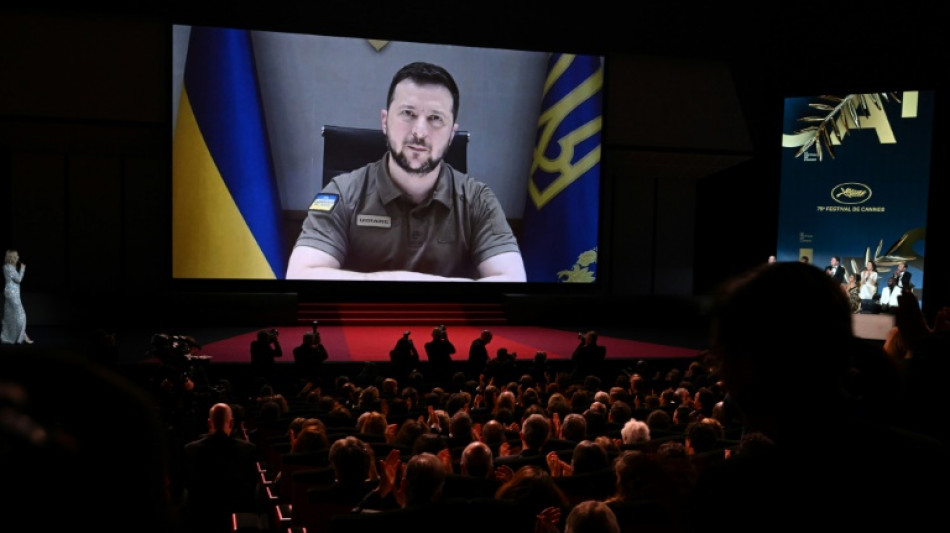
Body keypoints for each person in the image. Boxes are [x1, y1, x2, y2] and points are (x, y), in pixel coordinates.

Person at [685, 261, 947, 531]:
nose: (719, 370)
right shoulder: (925, 461)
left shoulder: (732, 491)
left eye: (722, 355)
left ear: (755, 362)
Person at [286, 61, 526, 282]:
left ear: (452, 133)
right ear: (384, 121)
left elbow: (513, 280)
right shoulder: (342, 192)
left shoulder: (479, 200)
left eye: (435, 118)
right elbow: (300, 275)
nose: (419, 132)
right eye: (408, 113)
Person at [181, 403, 260, 533]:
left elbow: (187, 485)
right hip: (236, 517)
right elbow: (251, 486)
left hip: (200, 518)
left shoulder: (190, 450)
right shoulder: (247, 449)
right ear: (231, 423)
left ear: (209, 423)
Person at [1, 249, 33, 344]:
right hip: (12, 293)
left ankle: (15, 336)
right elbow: (19, 279)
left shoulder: (7, 267)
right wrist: (22, 269)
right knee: (21, 314)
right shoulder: (9, 268)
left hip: (10, 293)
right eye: (16, 256)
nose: (18, 257)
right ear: (12, 258)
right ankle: (24, 336)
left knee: (10, 315)